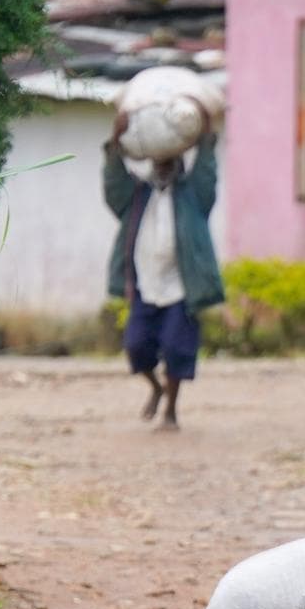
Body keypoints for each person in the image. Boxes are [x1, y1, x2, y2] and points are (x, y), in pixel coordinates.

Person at [103, 109, 224, 428]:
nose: (164, 167)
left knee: (176, 348)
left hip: (181, 289)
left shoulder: (194, 196)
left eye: (170, 162)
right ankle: (156, 388)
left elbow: (207, 172)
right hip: (145, 286)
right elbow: (113, 183)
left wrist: (206, 133)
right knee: (135, 346)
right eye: (159, 163)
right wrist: (116, 140)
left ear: (179, 165)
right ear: (152, 165)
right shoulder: (136, 196)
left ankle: (171, 409)